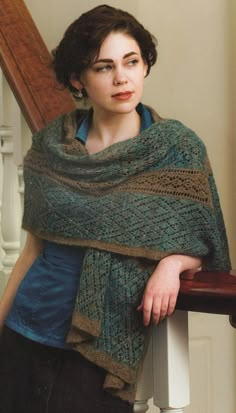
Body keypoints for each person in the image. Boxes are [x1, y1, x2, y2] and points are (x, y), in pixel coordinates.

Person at [0, 4, 231, 413]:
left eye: (131, 61)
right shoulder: (52, 146)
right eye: (104, 67)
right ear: (78, 79)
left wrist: (171, 265)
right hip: (23, 332)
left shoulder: (176, 149)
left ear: (145, 67)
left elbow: (204, 239)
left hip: (97, 345)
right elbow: (34, 247)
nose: (121, 77)